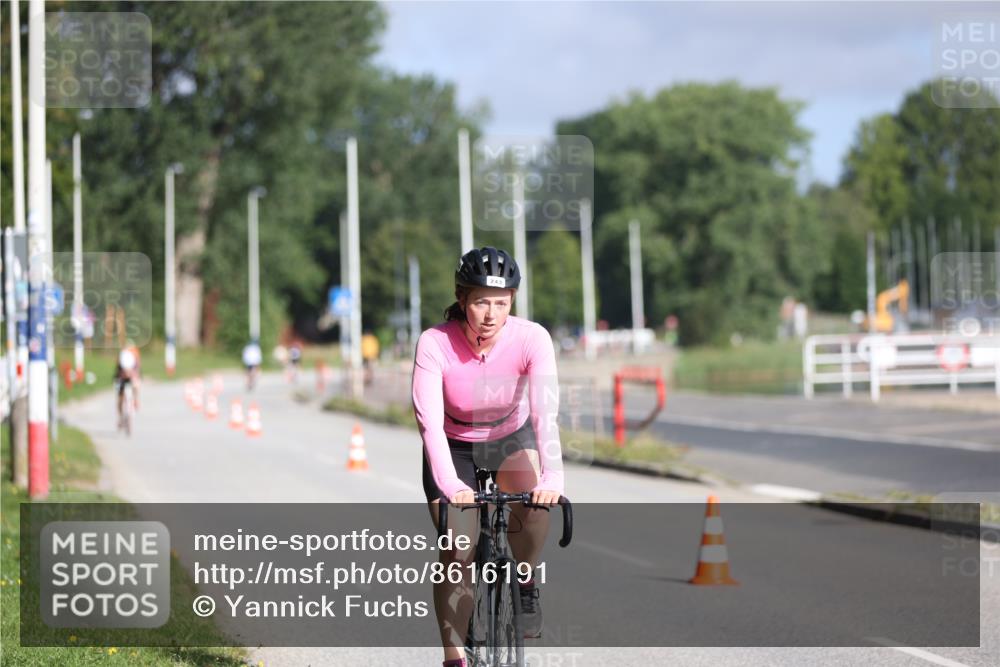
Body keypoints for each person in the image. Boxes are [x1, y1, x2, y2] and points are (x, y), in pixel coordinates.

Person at [412, 246, 565, 667]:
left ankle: (525, 575)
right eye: (481, 301)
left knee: (533, 503)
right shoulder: (434, 343)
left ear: (512, 302)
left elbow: (544, 413)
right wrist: (452, 487)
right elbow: (429, 424)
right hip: (453, 442)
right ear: (462, 299)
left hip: (509, 435)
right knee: (457, 548)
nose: (491, 313)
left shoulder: (532, 338)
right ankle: (454, 656)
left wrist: (553, 479)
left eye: (501, 302)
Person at [114, 340, 142, 424]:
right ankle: (121, 417)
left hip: (131, 378)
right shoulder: (122, 356)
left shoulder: (134, 356)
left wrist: (133, 374)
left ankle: (135, 400)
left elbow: (138, 369)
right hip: (122, 378)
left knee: (135, 386)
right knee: (120, 397)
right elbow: (117, 370)